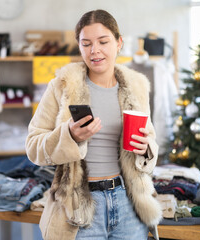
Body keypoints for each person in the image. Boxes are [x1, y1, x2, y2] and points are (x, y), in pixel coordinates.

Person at [25, 9, 162, 240]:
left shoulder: (137, 86)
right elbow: (33, 147)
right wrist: (68, 135)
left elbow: (150, 147)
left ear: (119, 43)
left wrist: (146, 148)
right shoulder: (62, 87)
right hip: (78, 206)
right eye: (86, 43)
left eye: (103, 41)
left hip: (128, 204)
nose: (94, 50)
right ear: (79, 46)